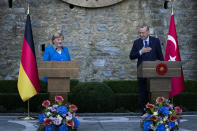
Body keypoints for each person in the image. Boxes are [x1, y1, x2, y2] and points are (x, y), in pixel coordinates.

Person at [129, 25, 164, 114]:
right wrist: (141, 52)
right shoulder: (136, 42)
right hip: (142, 73)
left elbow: (160, 57)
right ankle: (144, 112)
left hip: (154, 73)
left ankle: (156, 112)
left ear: (148, 32)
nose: (141, 35)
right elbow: (131, 56)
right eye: (140, 33)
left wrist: (162, 67)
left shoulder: (155, 41)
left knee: (154, 93)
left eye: (143, 32)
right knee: (143, 93)